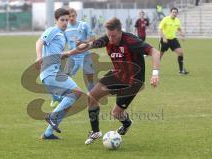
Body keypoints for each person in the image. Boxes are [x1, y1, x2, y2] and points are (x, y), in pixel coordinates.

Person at [62, 17, 161, 145]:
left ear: (120, 31)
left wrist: (155, 74)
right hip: (117, 74)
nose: (110, 39)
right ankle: (95, 132)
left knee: (116, 113)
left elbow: (155, 52)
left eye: (113, 36)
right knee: (91, 96)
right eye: (108, 35)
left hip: (133, 81)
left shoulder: (130, 40)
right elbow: (88, 46)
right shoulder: (107, 38)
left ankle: (126, 123)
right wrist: (69, 53)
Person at [35, 8, 82, 140]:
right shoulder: (52, 30)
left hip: (54, 72)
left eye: (67, 20)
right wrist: (39, 56)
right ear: (56, 20)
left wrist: (72, 51)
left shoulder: (62, 36)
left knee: (69, 100)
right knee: (76, 93)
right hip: (50, 73)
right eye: (62, 20)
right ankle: (52, 117)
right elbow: (39, 42)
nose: (65, 22)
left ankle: (48, 133)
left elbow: (58, 55)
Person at [50, 8, 96, 108]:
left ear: (76, 15)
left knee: (89, 77)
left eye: (73, 16)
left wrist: (83, 42)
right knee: (64, 78)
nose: (71, 18)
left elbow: (93, 39)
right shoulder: (65, 28)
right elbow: (63, 42)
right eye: (69, 17)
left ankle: (93, 97)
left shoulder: (84, 25)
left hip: (85, 55)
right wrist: (61, 53)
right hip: (73, 57)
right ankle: (57, 97)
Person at [159, 7, 189, 75]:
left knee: (180, 53)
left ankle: (181, 70)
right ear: (170, 12)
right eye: (173, 12)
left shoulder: (177, 20)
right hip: (165, 40)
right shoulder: (165, 19)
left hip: (173, 40)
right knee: (159, 56)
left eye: (176, 12)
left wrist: (182, 35)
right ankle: (155, 70)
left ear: (177, 13)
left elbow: (179, 28)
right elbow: (160, 29)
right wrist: (163, 38)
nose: (174, 13)